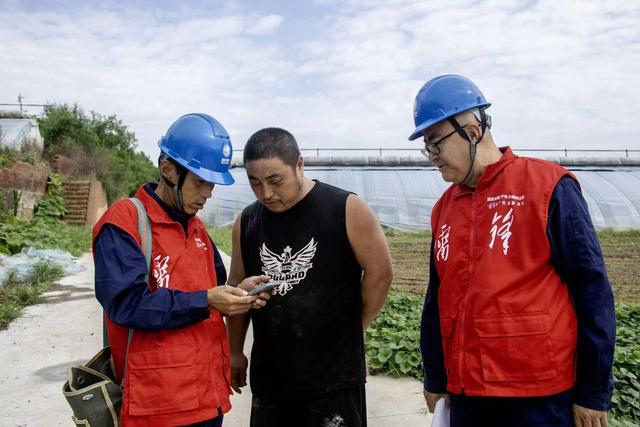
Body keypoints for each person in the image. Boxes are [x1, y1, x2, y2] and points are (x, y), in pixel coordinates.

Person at [410, 75, 616, 427]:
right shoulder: (445, 206)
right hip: (466, 394)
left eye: (435, 143)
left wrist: (593, 392)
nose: (433, 157)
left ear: (472, 131)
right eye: (427, 147)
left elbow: (592, 292)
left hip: (538, 397)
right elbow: (437, 298)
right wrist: (435, 376)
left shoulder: (548, 187)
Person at [93, 113, 272, 427]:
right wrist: (206, 301)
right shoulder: (124, 223)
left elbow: (213, 295)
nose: (208, 193)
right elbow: (126, 304)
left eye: (212, 183)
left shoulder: (198, 231)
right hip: (158, 407)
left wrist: (238, 294)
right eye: (200, 181)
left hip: (207, 400)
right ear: (168, 170)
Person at [226, 127, 394, 427]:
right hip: (271, 378)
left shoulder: (345, 208)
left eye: (275, 180)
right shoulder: (248, 221)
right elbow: (235, 288)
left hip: (333, 379)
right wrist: (235, 351)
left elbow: (381, 272)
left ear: (299, 165)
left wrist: (354, 330)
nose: (266, 193)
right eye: (255, 182)